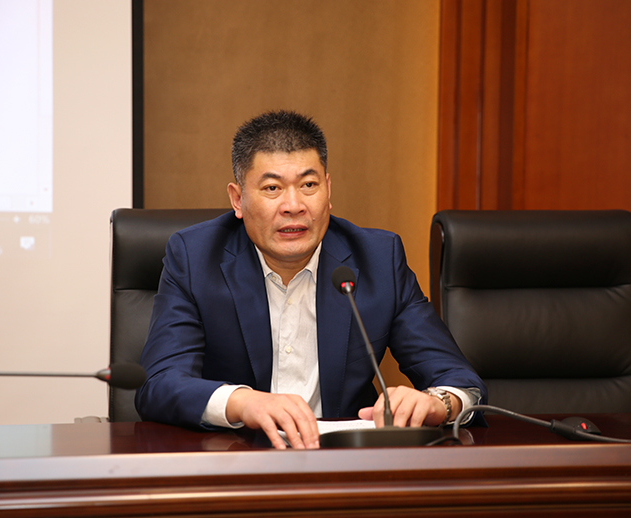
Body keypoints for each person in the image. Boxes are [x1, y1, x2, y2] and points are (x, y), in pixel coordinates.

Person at [135, 110, 486, 449]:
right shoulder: (195, 258)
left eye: (308, 185)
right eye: (272, 188)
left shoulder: (378, 260)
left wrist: (439, 403)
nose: (294, 205)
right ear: (238, 199)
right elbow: (159, 384)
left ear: (328, 191)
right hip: (235, 460)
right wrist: (242, 402)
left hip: (343, 467)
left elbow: (460, 381)